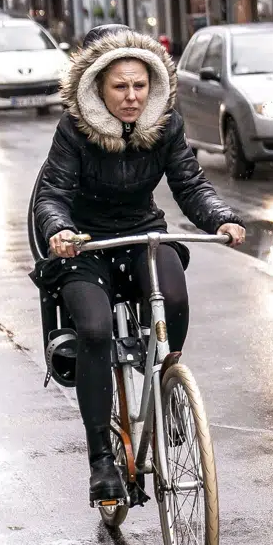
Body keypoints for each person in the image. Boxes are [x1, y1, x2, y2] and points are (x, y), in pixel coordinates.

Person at [29, 25, 246, 505]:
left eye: (139, 85)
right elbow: (52, 195)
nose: (131, 97)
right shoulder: (73, 130)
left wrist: (221, 219)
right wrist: (58, 232)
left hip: (140, 235)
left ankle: (168, 388)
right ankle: (100, 460)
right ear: (99, 87)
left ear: (152, 85)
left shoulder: (165, 125)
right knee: (93, 329)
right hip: (83, 246)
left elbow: (190, 184)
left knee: (175, 298)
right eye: (120, 87)